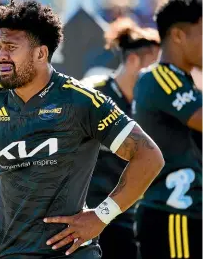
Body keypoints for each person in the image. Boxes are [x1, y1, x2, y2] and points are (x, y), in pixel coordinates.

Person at [0, 0, 165, 259]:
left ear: (41, 53)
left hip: (73, 253)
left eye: (10, 47)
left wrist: (101, 216)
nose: (0, 56)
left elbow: (149, 155)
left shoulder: (80, 100)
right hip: (10, 253)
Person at [82, 18, 160, 259]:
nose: (160, 76)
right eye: (155, 67)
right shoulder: (92, 95)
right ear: (134, 61)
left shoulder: (152, 104)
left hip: (128, 214)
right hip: (88, 215)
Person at [133, 0, 202, 259]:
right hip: (175, 216)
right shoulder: (160, 77)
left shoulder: (184, 82)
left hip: (185, 215)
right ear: (178, 36)